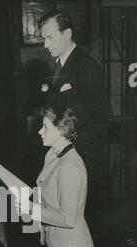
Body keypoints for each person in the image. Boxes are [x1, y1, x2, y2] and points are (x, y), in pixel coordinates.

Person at [8, 104, 132, 247]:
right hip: (59, 246)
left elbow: (67, 218)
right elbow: (48, 192)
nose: (39, 131)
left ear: (61, 129)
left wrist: (32, 210)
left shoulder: (70, 167)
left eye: (44, 127)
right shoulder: (53, 156)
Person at [39, 9, 113, 212]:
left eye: (50, 37)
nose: (46, 45)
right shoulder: (59, 66)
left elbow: (103, 119)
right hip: (64, 162)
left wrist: (69, 146)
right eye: (44, 39)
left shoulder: (86, 66)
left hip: (83, 165)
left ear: (68, 34)